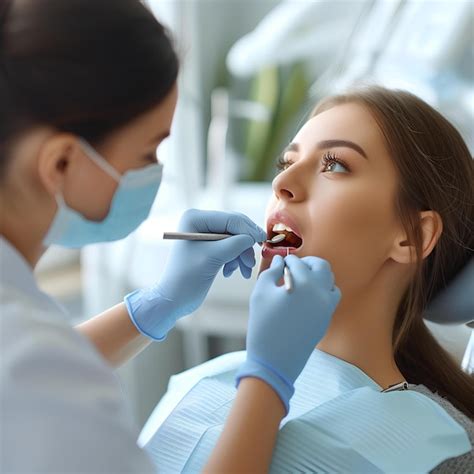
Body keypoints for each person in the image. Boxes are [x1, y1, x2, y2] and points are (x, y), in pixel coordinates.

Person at [0, 1, 341, 472]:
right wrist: (269, 379)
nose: (282, 183)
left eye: (337, 165)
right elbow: (35, 381)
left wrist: (154, 306)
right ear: (60, 162)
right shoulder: (39, 372)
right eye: (149, 151)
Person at [140, 86, 474, 473]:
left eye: (335, 165)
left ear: (409, 236)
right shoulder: (205, 381)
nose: (282, 184)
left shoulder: (433, 448)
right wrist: (154, 307)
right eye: (286, 163)